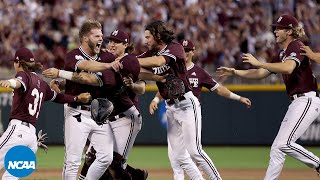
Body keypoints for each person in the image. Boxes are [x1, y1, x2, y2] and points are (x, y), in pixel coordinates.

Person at [217, 14, 320, 179]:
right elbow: (259, 73)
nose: (276, 31)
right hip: (297, 101)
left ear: (289, 31)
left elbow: (288, 68)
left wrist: (260, 62)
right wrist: (235, 71)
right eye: (276, 28)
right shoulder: (281, 53)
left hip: (306, 98)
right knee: (277, 148)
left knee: (284, 144)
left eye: (279, 28)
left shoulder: (296, 45)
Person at [43, 29, 147, 179]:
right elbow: (88, 75)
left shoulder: (127, 60)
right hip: (104, 115)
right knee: (93, 158)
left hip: (124, 117)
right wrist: (63, 83)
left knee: (116, 165)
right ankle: (137, 175)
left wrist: (60, 73)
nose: (111, 44)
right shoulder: (108, 59)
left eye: (116, 42)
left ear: (125, 44)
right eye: (110, 40)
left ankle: (136, 176)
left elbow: (91, 79)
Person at [149, 39, 251, 179]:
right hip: (172, 110)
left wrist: (238, 98)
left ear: (193, 52)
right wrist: (155, 99)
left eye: (187, 50)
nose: (184, 53)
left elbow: (219, 89)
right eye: (182, 50)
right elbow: (163, 89)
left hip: (189, 113)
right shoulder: (172, 68)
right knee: (175, 157)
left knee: (194, 152)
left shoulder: (199, 72)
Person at [136, 20, 221, 180]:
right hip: (170, 107)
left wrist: (131, 61)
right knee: (180, 156)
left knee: (195, 151)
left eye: (148, 37)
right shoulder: (149, 53)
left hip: (187, 103)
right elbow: (137, 68)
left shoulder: (175, 48)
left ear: (157, 35)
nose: (145, 41)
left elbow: (158, 62)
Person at [0, 47, 91, 179]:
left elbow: (19, 81)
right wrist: (76, 98)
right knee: (11, 177)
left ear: (19, 63)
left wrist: (9, 82)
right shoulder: (42, 84)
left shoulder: (23, 75)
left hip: (17, 131)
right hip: (31, 138)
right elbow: (58, 97)